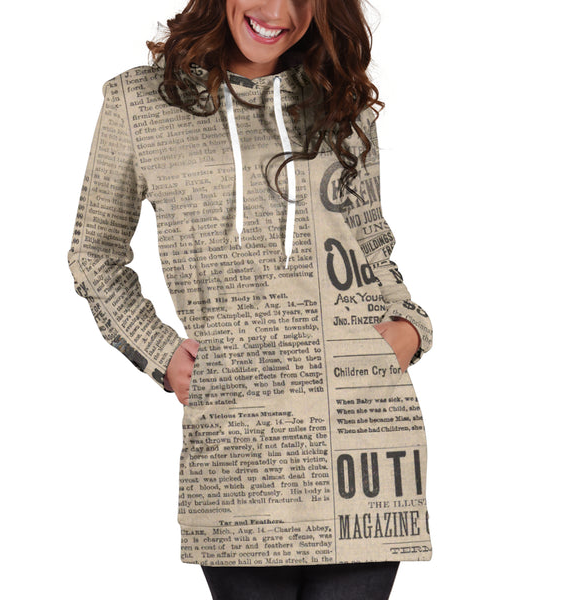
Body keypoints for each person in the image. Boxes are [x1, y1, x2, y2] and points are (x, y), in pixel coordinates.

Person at [68, 0, 434, 598]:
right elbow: (94, 254)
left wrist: (409, 327)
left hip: (361, 438)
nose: (278, 10)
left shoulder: (342, 101)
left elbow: (370, 243)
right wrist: (161, 354)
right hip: (238, 451)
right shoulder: (139, 103)